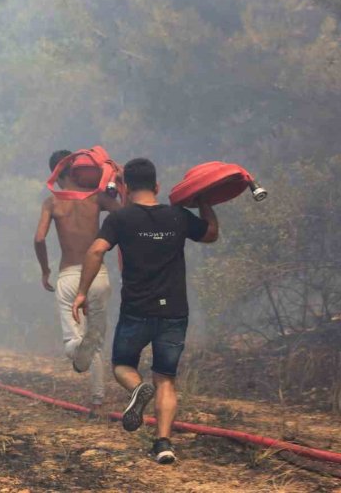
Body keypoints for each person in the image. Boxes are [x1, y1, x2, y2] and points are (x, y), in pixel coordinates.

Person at [72, 158, 218, 464]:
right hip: (175, 311)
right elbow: (211, 234)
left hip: (137, 309)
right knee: (165, 379)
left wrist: (83, 291)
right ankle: (163, 444)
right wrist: (204, 201)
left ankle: (138, 389)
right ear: (157, 186)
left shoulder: (120, 219)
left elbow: (97, 250)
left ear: (125, 187)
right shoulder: (178, 216)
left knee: (122, 364)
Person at [34, 149, 121, 415]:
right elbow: (125, 216)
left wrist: (45, 270)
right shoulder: (97, 198)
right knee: (95, 343)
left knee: (74, 340)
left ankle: (78, 350)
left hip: (70, 275)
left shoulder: (52, 202)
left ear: (55, 173)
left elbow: (39, 239)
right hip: (97, 275)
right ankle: (97, 401)